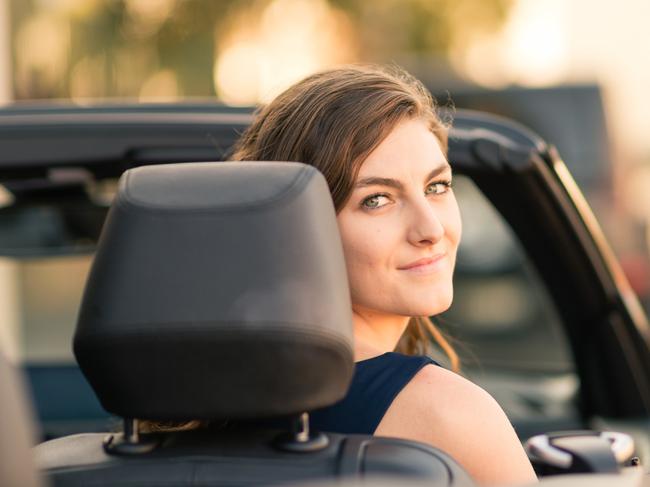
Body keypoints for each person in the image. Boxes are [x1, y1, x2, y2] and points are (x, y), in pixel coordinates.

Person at [231, 64, 538, 486]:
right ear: (297, 226)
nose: (430, 229)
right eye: (377, 199)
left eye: (437, 187)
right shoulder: (446, 414)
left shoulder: (197, 406)